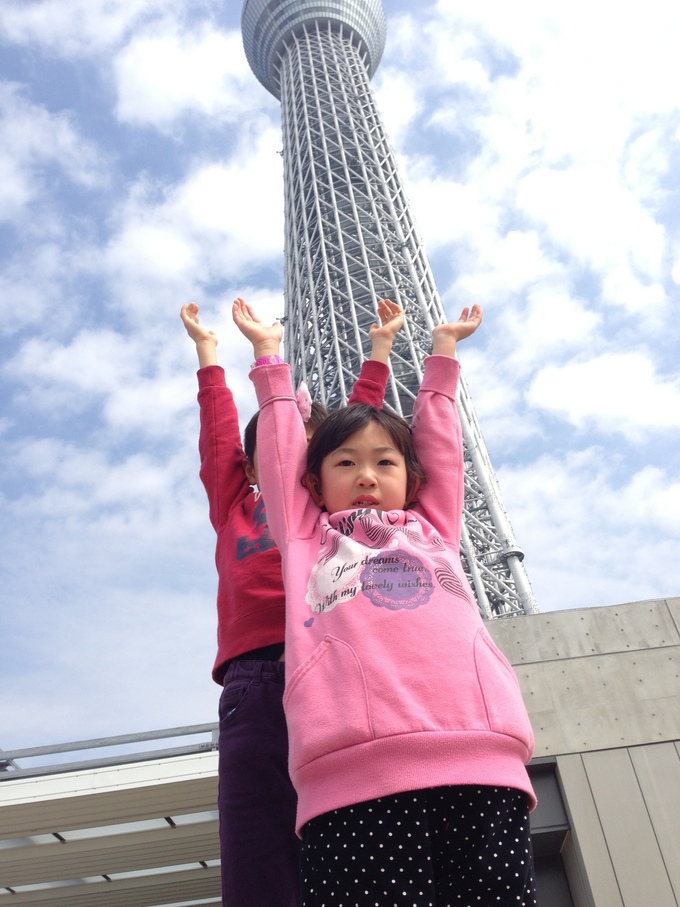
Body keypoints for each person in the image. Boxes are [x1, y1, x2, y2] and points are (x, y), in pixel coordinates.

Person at [235, 297, 538, 907]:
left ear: (413, 479)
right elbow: (277, 455)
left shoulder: (434, 528)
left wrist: (442, 358)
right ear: (314, 485)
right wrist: (269, 362)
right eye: (345, 463)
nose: (367, 475)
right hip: (353, 772)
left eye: (384, 463)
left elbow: (443, 448)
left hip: (482, 757)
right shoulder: (308, 538)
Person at [180, 298, 405, 907]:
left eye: (308, 458)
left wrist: (378, 354)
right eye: (277, 451)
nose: (292, 464)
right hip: (254, 679)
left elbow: (363, 434)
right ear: (253, 465)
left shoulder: (331, 519)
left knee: (355, 829)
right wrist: (209, 357)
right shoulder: (236, 505)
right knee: (257, 841)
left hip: (335, 665)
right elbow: (218, 439)